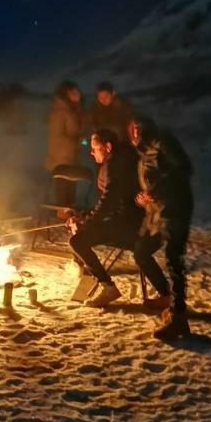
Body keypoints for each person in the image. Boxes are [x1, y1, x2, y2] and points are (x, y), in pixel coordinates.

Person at [129, 115, 194, 340]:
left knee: (173, 259)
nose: (134, 133)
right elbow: (153, 180)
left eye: (138, 128)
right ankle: (169, 299)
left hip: (175, 208)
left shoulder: (162, 142)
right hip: (158, 211)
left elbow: (183, 169)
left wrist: (154, 191)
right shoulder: (146, 152)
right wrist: (145, 197)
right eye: (131, 129)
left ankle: (178, 318)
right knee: (143, 250)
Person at [67, 128, 142, 308]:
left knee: (77, 241)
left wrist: (87, 222)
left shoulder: (114, 167)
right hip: (126, 221)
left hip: (129, 227)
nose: (91, 152)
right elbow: (108, 204)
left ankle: (107, 286)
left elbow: (109, 203)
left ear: (107, 147)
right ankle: (83, 268)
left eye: (95, 148)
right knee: (79, 232)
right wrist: (85, 217)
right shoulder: (118, 162)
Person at [44, 81, 84, 211]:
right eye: (74, 92)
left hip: (71, 158)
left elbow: (79, 130)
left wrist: (83, 141)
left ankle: (70, 223)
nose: (78, 94)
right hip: (61, 159)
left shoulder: (73, 110)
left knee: (71, 196)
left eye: (78, 92)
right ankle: (62, 222)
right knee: (63, 196)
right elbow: (57, 137)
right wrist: (76, 142)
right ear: (66, 94)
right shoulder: (60, 111)